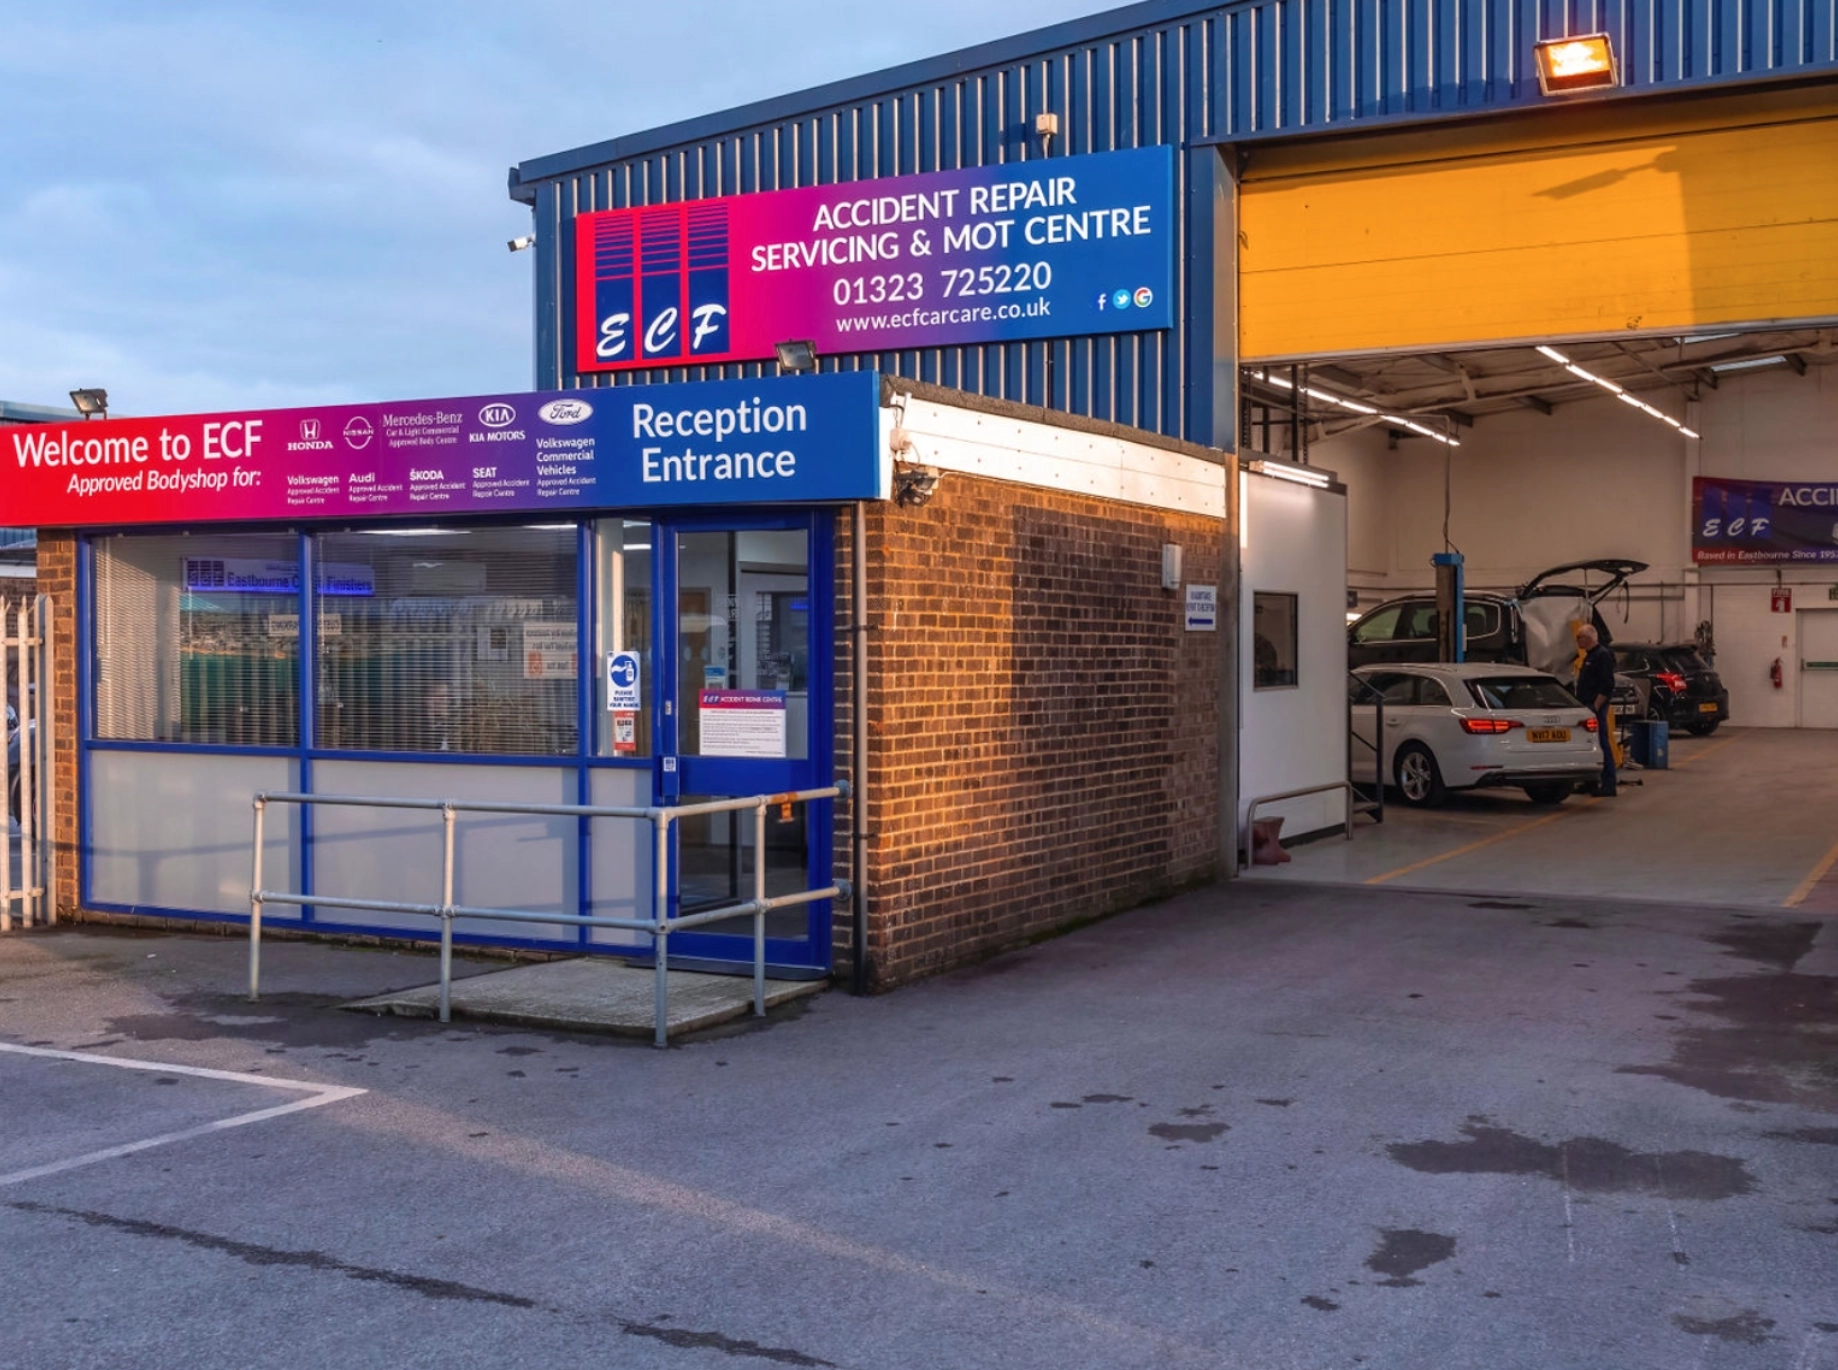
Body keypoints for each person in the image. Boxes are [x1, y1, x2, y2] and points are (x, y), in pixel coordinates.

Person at [1574, 624, 1618, 797]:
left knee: (1601, 742)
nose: (1578, 640)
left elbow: (1607, 684)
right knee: (1589, 744)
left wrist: (1596, 706)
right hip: (1586, 706)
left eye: (1580, 637)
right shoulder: (1590, 656)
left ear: (1589, 638)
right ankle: (1590, 782)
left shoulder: (1602, 655)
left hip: (1594, 707)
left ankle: (1609, 785)